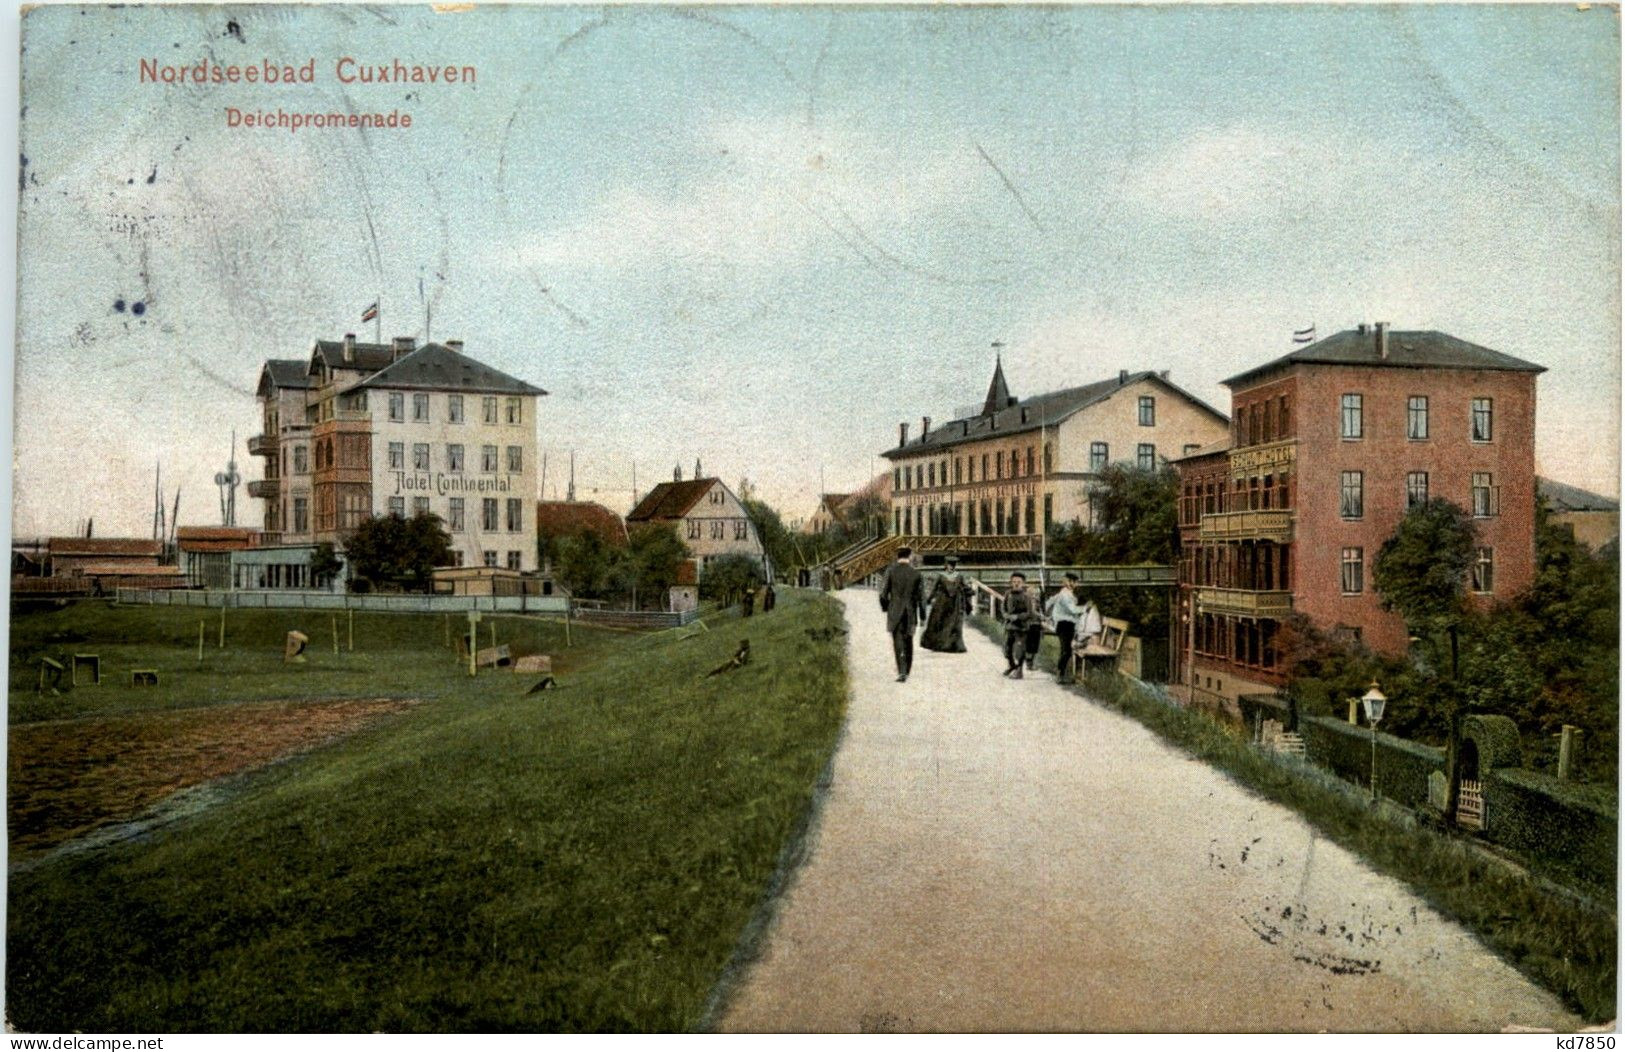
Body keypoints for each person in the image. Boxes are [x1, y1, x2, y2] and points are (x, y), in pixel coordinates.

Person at [878, 546, 925, 682]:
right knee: (909, 640)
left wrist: (886, 607)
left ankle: (902, 671)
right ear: (909, 556)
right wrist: (922, 616)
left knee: (897, 640)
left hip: (895, 611)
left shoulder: (891, 571)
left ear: (898, 557)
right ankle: (907, 670)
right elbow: (922, 597)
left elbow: (883, 594)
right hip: (910, 612)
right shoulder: (916, 574)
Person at [920, 556, 972, 653]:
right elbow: (934, 589)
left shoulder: (959, 576)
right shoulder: (941, 576)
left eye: (953, 565)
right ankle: (940, 644)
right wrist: (929, 599)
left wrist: (970, 591)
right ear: (946, 565)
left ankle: (951, 645)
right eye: (950, 565)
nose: (951, 567)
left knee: (952, 623)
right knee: (939, 621)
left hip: (954, 603)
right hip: (942, 602)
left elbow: (965, 587)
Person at [1045, 572, 1085, 684]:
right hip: (1064, 624)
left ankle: (1060, 672)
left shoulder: (1065, 593)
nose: (1076, 584)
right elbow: (1072, 609)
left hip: (1066, 624)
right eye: (1075, 582)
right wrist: (1085, 608)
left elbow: (1050, 601)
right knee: (1066, 651)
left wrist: (1047, 614)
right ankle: (1060, 675)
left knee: (1065, 650)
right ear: (1070, 582)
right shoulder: (1066, 594)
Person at [1001, 572, 1039, 679]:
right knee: (1006, 650)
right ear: (1011, 582)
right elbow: (1003, 608)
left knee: (1019, 650)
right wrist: (1006, 615)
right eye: (1014, 582)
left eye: (1019, 582)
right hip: (1009, 626)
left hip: (1021, 627)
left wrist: (1018, 617)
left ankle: (1019, 671)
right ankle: (1012, 666)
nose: (1016, 584)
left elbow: (1030, 613)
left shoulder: (1026, 596)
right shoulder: (1008, 594)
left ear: (1023, 583)